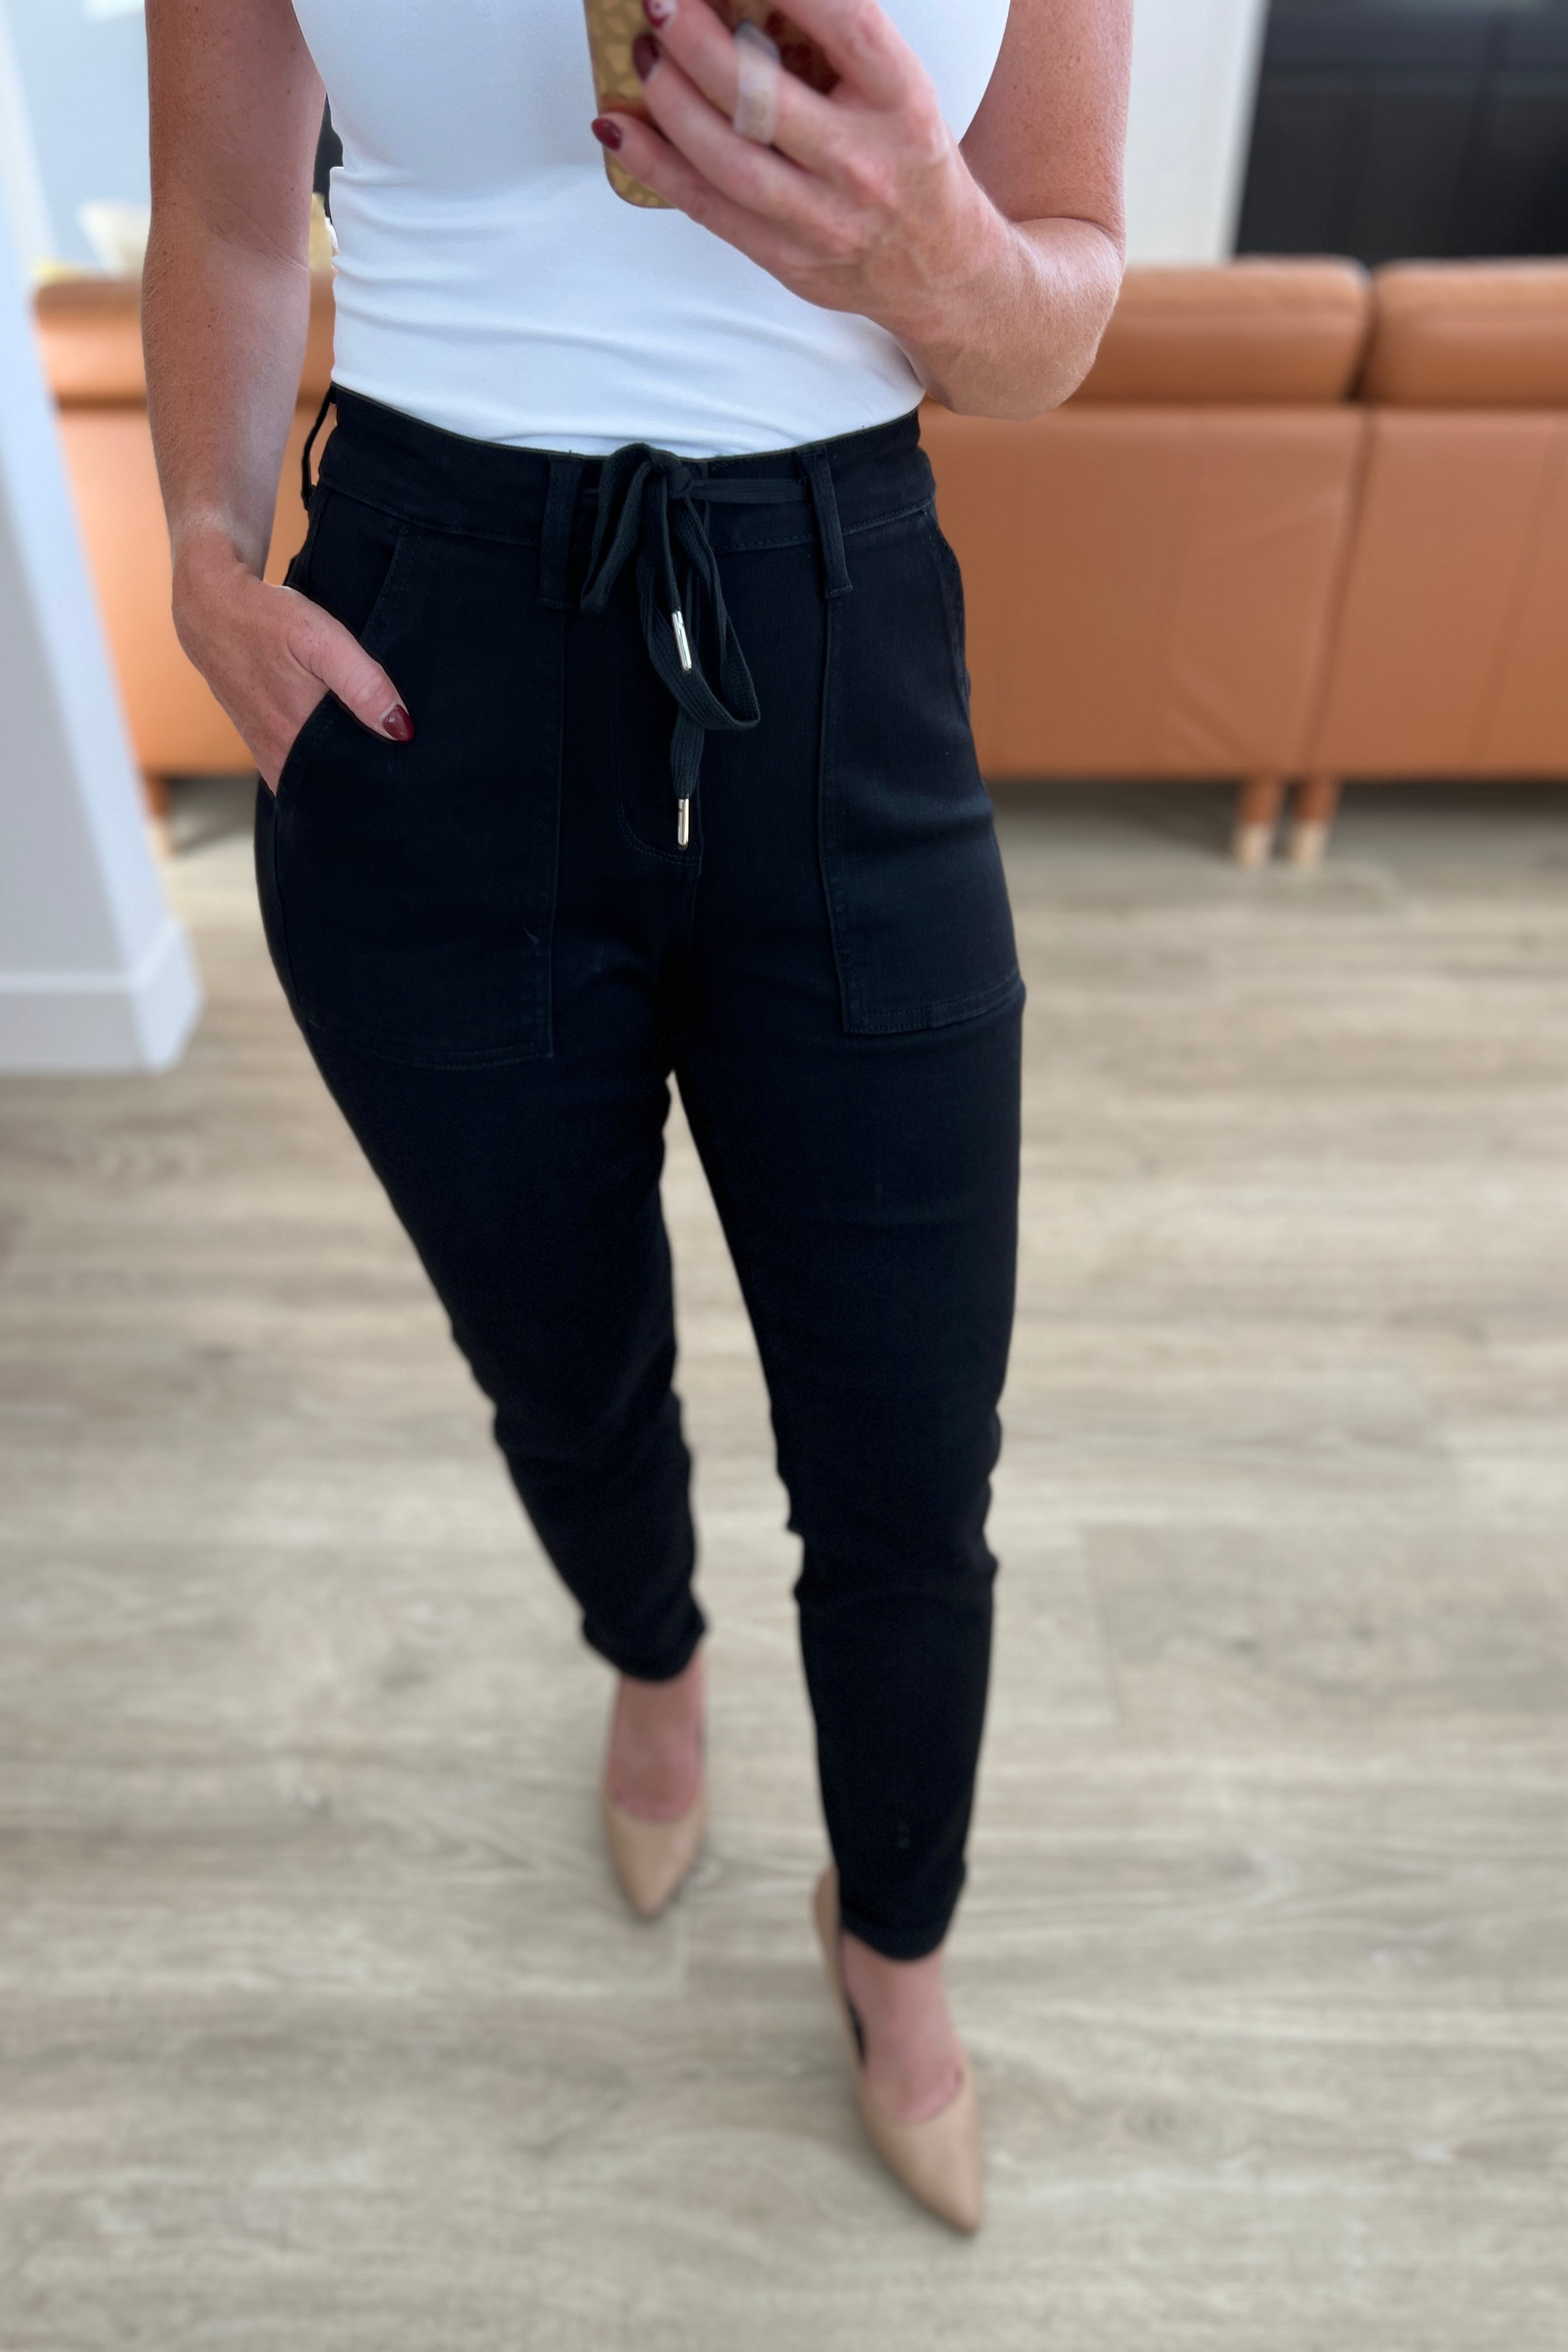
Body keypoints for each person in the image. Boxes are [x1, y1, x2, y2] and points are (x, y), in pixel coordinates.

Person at [142, 0, 1129, 2233]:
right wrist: (205, 558)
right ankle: (652, 1658)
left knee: (909, 1453)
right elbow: (225, 212)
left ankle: (896, 1934)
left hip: (837, 646)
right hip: (423, 650)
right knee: (559, 1355)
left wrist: (938, 255)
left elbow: (1055, 311)